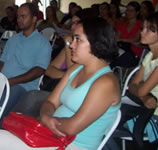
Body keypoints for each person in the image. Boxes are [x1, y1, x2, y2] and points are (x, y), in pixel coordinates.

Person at [0, 17, 121, 150]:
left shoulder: (106, 83)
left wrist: (45, 119)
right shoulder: (77, 68)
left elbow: (71, 128)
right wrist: (46, 117)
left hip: (73, 145)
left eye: (78, 40)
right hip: (49, 134)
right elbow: (50, 102)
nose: (71, 45)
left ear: (96, 43)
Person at [106, 12, 158, 150]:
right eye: (143, 28)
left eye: (148, 29)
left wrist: (140, 90)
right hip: (140, 110)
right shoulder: (150, 56)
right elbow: (132, 85)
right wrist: (145, 96)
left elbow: (139, 89)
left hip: (155, 119)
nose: (142, 32)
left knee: (102, 127)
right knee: (100, 123)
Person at [0, 2, 52, 120]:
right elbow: (2, 62)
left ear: (34, 19)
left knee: (4, 99)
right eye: (18, 16)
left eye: (23, 16)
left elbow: (39, 70)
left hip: (22, 86)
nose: (19, 19)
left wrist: (12, 81)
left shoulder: (43, 44)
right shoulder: (13, 39)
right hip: (4, 81)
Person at [110, 1, 143, 68]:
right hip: (122, 51)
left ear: (137, 13)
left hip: (135, 53)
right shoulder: (123, 25)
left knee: (115, 60)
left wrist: (122, 39)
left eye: (131, 11)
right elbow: (117, 38)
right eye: (127, 10)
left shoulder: (141, 24)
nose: (128, 12)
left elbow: (135, 39)